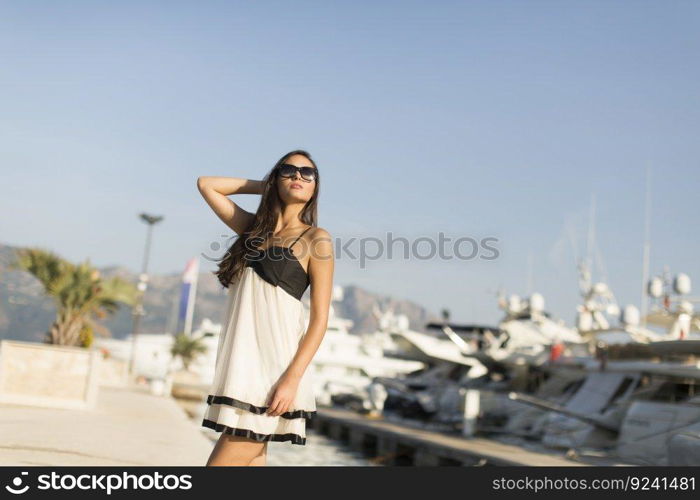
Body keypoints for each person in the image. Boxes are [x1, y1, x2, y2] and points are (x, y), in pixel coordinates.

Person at [196, 150, 334, 466]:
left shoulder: (316, 238)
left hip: (272, 373)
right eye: (289, 170)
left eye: (307, 173)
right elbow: (207, 184)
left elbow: (320, 319)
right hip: (245, 369)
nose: (298, 176)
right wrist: (267, 185)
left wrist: (292, 379)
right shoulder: (252, 230)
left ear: (315, 188)